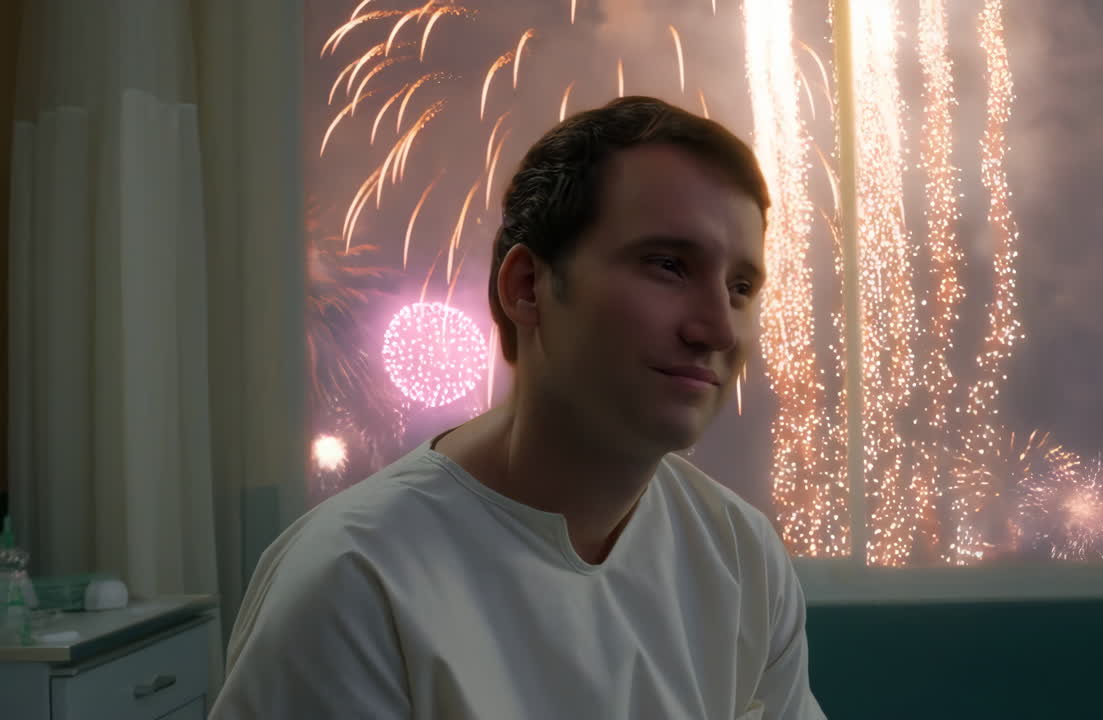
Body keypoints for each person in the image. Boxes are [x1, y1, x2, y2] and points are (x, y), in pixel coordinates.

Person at [210, 96, 827, 719]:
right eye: (668, 266)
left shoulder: (740, 556)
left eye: (741, 287)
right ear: (526, 287)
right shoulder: (352, 581)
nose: (719, 328)